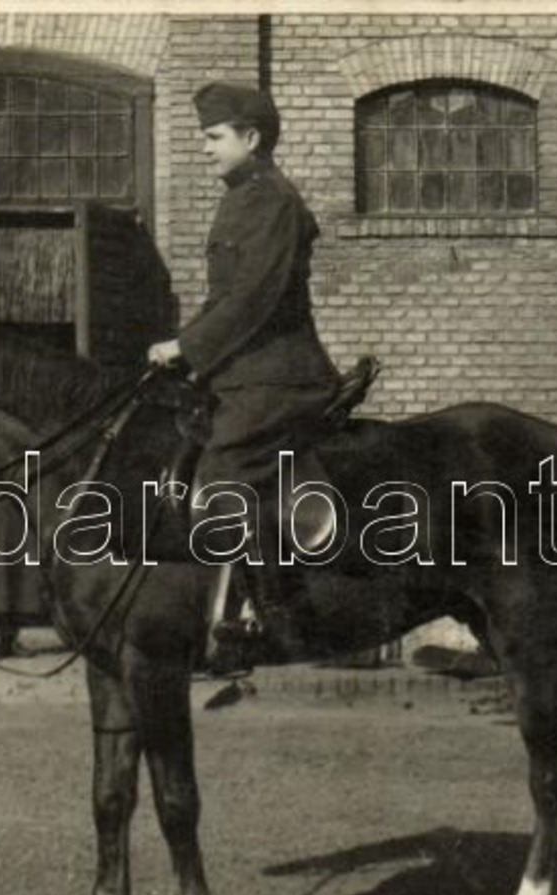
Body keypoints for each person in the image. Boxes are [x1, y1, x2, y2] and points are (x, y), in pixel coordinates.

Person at [148, 81, 341, 668]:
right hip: (243, 373)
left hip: (281, 377)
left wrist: (189, 346)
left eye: (214, 137)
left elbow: (254, 298)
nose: (205, 148)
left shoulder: (273, 201)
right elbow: (223, 298)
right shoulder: (241, 198)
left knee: (225, 468)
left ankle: (271, 615)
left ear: (250, 138)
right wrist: (179, 348)